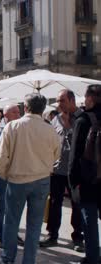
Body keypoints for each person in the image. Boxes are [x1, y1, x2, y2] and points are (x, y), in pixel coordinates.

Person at [0, 93, 60, 264]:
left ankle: (8, 259)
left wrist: (6, 175)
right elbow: (56, 154)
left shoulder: (12, 127)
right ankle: (29, 260)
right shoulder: (50, 129)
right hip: (42, 180)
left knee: (11, 222)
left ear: (25, 107)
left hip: (17, 180)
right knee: (35, 225)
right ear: (43, 109)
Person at [40, 89, 84, 251]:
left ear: (72, 100)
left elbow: (85, 144)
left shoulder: (82, 118)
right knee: (54, 203)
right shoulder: (55, 119)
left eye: (62, 101)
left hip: (76, 171)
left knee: (77, 204)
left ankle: (78, 237)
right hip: (57, 170)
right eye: (58, 101)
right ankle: (52, 235)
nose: (59, 104)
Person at [68, 84, 101, 264]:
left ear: (90, 99)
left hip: (88, 179)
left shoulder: (83, 120)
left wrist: (73, 182)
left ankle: (93, 258)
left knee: (90, 222)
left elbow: (74, 155)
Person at [0, 104, 22, 248]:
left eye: (19, 112)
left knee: (15, 206)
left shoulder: (20, 128)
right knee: (3, 205)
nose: (18, 114)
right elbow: (0, 150)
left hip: (18, 173)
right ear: (6, 115)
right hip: (3, 174)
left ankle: (12, 233)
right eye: (15, 112)